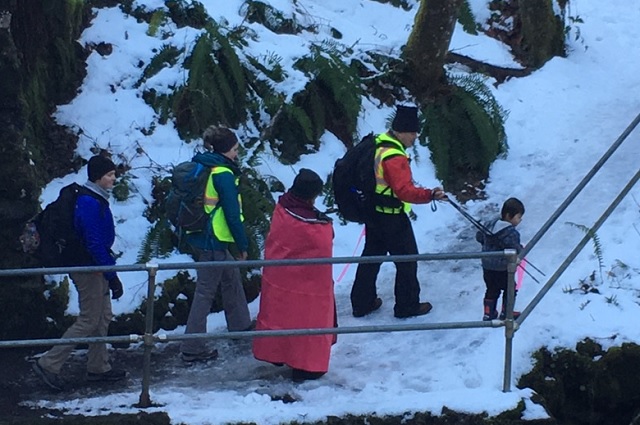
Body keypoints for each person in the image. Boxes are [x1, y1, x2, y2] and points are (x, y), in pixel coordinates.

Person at [32, 155, 126, 391]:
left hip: (95, 265)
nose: (114, 179)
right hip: (89, 268)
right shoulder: (89, 202)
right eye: (109, 175)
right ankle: (49, 363)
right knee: (89, 319)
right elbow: (94, 242)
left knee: (102, 317)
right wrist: (111, 275)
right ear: (97, 177)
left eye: (114, 174)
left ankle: (98, 366)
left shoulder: (96, 198)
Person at [350, 105, 447, 319]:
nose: (415, 136)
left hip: (374, 213)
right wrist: (430, 194)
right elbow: (404, 191)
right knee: (407, 261)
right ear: (401, 131)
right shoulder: (395, 156)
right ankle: (407, 305)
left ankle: (361, 303)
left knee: (371, 258)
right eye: (412, 132)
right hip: (392, 217)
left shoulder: (379, 144)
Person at [252, 169, 336, 382]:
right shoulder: (315, 226)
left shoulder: (282, 208)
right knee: (306, 316)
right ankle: (306, 364)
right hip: (308, 284)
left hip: (279, 275)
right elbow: (321, 242)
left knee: (282, 314)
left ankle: (277, 352)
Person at [180, 125, 253, 363]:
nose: (237, 153)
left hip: (206, 238)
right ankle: (192, 347)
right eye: (234, 149)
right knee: (205, 292)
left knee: (230, 277)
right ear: (225, 151)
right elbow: (232, 214)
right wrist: (243, 245)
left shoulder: (205, 165)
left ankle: (241, 326)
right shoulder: (222, 173)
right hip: (214, 240)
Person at [475, 197, 525, 321]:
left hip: (487, 265)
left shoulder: (489, 224)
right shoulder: (511, 232)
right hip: (503, 268)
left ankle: (488, 313)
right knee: (510, 288)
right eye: (518, 217)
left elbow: (479, 237)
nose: (520, 220)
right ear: (509, 216)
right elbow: (514, 249)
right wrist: (520, 249)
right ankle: (506, 312)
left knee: (491, 289)